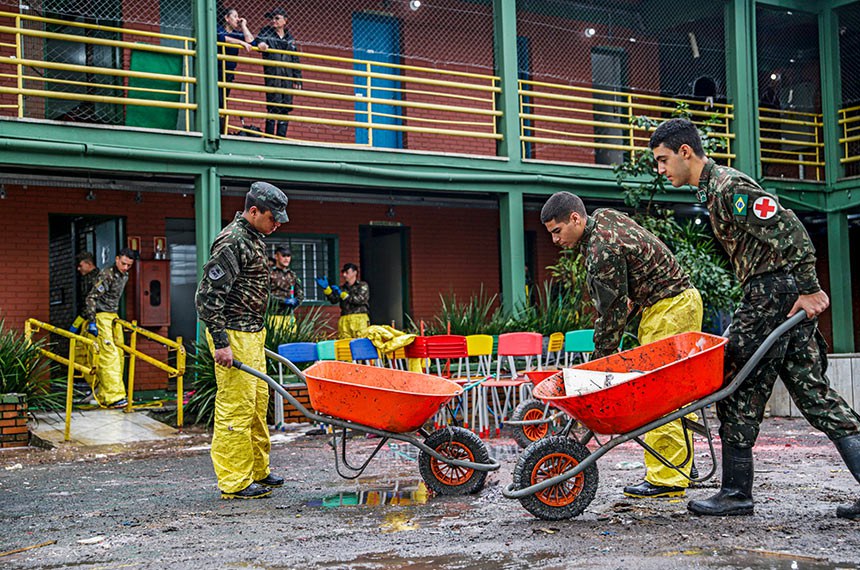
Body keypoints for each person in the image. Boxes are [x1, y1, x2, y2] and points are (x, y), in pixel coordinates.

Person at [649, 117, 860, 519]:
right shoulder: (713, 191)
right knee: (814, 394)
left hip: (770, 294)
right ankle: (735, 492)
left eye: (662, 160)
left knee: (734, 384)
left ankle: (735, 493)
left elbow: (791, 231)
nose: (661, 169)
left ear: (685, 152)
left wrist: (810, 288)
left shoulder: (730, 188)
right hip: (776, 294)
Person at [541, 191, 703, 498]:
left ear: (575, 218)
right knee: (676, 393)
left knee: (660, 395)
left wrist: (598, 365)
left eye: (558, 231)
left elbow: (611, 312)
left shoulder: (602, 251)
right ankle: (683, 463)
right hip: (675, 303)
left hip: (669, 309)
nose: (555, 240)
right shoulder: (604, 217)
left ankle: (667, 479)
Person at [196, 181, 289, 500]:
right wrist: (221, 342)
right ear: (254, 211)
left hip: (252, 333)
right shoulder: (232, 240)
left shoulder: (254, 238)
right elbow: (207, 297)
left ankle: (257, 469)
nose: (277, 224)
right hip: (233, 334)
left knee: (257, 403)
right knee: (236, 406)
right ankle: (235, 480)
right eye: (273, 218)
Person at [82, 247, 137, 409]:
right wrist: (92, 321)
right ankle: (114, 396)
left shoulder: (124, 275)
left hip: (113, 316)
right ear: (117, 259)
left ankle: (107, 392)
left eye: (129, 265)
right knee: (109, 356)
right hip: (101, 317)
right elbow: (91, 298)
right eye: (123, 263)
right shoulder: (107, 274)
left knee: (119, 355)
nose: (125, 267)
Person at [216, 8, 268, 129]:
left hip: (228, 72)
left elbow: (251, 42)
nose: (237, 19)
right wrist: (241, 43)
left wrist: (244, 25)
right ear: (226, 18)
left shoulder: (237, 34)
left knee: (222, 101)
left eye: (238, 16)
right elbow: (221, 38)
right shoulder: (218, 28)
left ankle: (220, 129)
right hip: (215, 71)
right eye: (234, 16)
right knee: (216, 100)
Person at [256, 8, 302, 138]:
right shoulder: (266, 32)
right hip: (273, 75)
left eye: (277, 18)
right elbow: (259, 41)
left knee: (285, 107)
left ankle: (281, 137)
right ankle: (269, 137)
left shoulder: (290, 38)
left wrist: (297, 78)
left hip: (287, 76)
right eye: (272, 18)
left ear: (285, 20)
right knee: (272, 106)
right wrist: (261, 44)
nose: (273, 21)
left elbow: (295, 59)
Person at [316, 263, 370, 339]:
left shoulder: (362, 286)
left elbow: (359, 299)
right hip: (345, 318)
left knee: (360, 340)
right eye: (343, 273)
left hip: (359, 318)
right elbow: (334, 300)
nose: (344, 275)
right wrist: (327, 289)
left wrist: (343, 295)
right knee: (345, 341)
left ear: (355, 272)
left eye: (347, 272)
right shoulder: (342, 288)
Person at [269, 244, 303, 330]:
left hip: (288, 316)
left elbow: (300, 294)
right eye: (283, 256)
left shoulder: (292, 275)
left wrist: (296, 301)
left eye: (288, 256)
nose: (286, 258)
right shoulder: (269, 274)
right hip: (272, 316)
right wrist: (283, 301)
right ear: (276, 256)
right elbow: (264, 294)